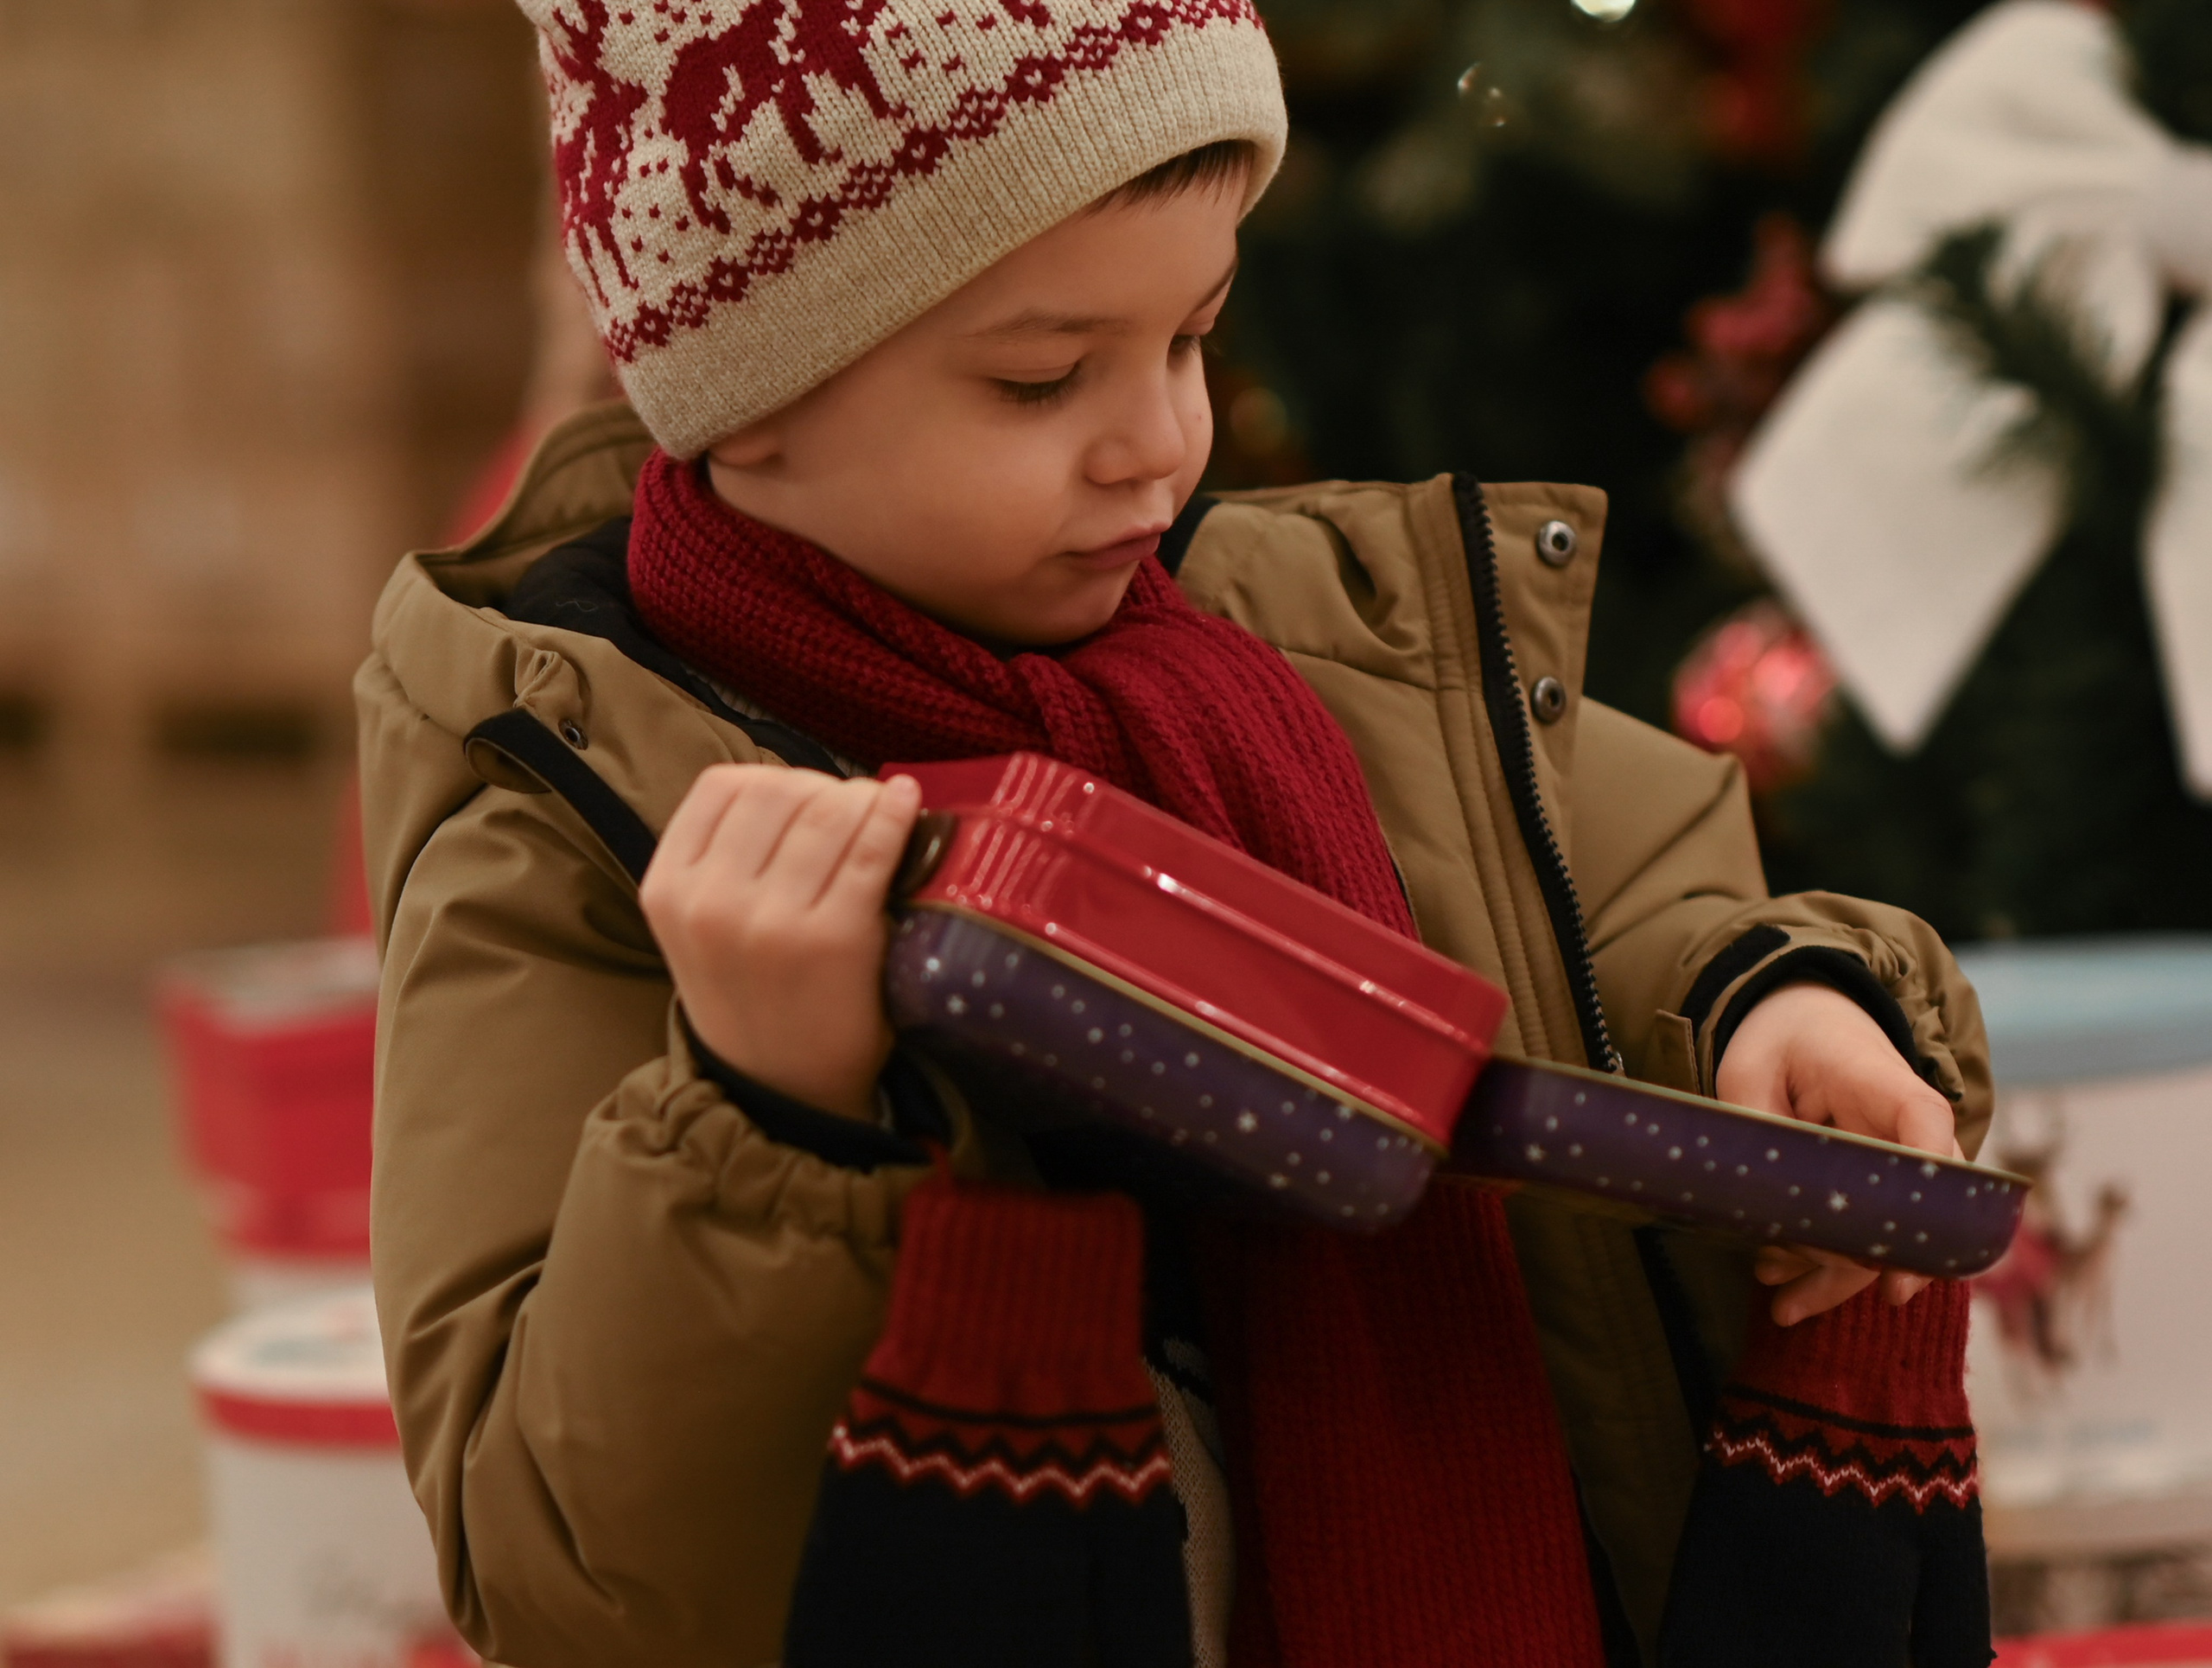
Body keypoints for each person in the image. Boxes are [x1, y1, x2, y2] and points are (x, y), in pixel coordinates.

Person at [357, 4, 1996, 1665]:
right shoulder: (573, 830)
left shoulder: (1320, 654)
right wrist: (765, 1121)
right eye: (1044, 377)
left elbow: (1621, 912)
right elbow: (563, 1575)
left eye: (1193, 339)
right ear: (754, 392)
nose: (1161, 443)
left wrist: (1778, 999)